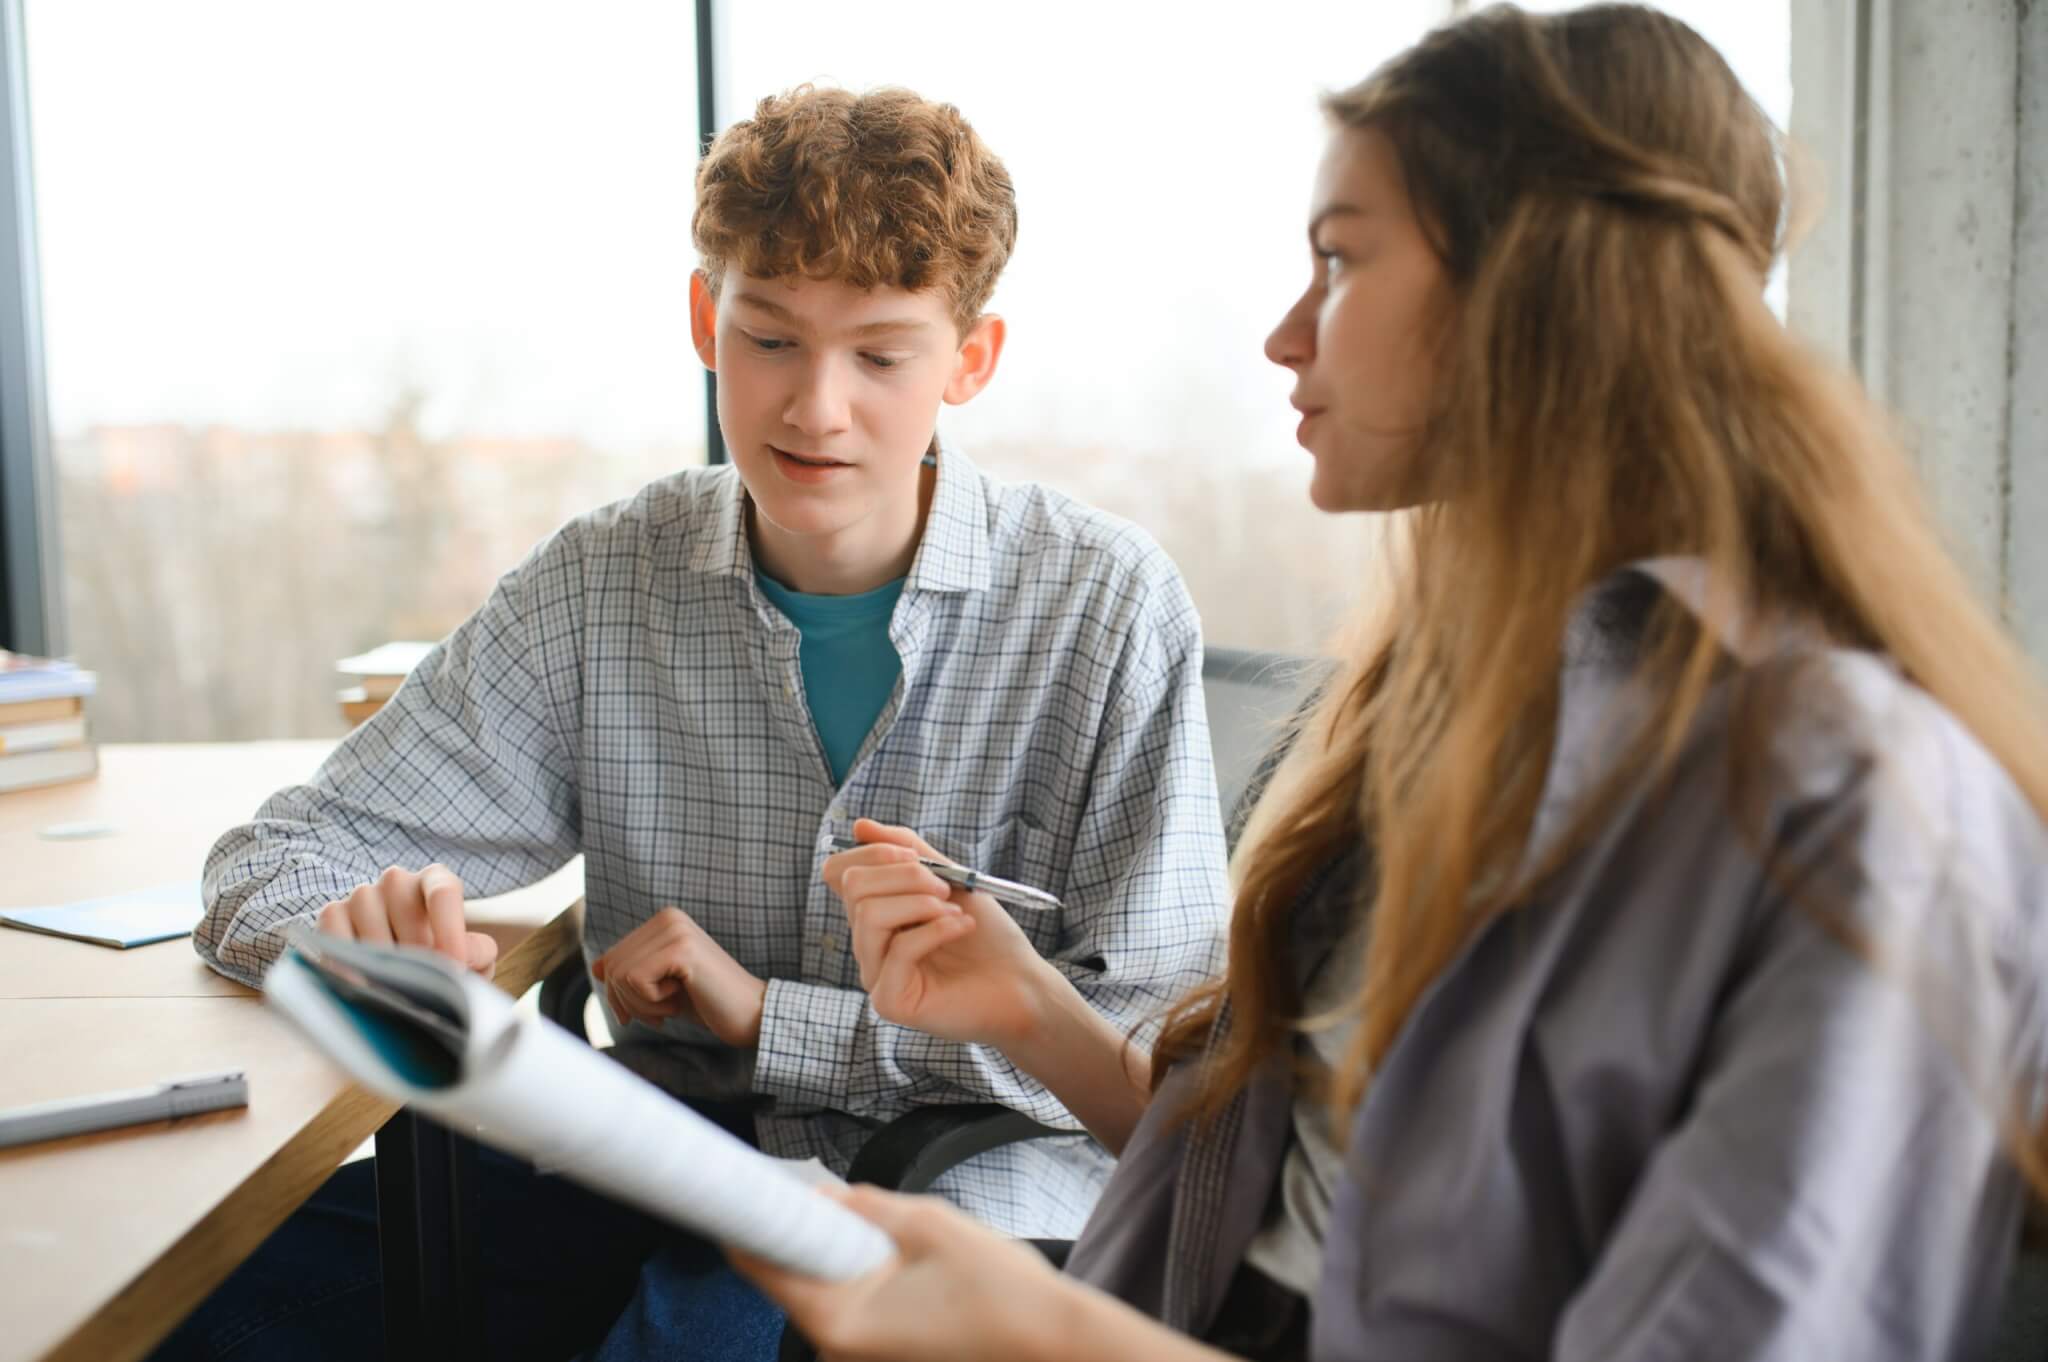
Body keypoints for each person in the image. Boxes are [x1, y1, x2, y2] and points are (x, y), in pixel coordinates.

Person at [744, 7, 2048, 1360]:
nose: (1286, 336)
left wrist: (1051, 1336)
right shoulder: (1448, 708)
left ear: (1540, 293)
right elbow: (1296, 1207)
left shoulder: (1859, 811)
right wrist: (1029, 1008)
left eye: (1339, 259)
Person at [160, 85, 1228, 1361]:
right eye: (769, 339)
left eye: (881, 356)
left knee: (698, 1339)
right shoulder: (601, 580)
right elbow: (268, 861)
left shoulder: (1102, 604)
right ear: (702, 321)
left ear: (971, 359)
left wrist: (773, 1018)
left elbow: (1162, 1083)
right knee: (221, 1300)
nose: (814, 409)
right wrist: (351, 940)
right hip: (663, 1156)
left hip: (984, 1191)